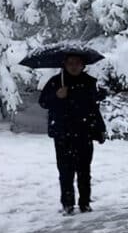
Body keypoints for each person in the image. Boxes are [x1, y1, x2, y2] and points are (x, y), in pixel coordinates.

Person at [39, 54, 106, 215]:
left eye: (77, 63)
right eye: (70, 63)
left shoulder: (90, 82)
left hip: (84, 133)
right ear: (65, 65)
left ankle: (85, 202)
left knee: (84, 170)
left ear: (83, 65)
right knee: (65, 171)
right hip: (63, 133)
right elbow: (43, 102)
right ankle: (67, 204)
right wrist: (57, 96)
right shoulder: (56, 82)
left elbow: (94, 107)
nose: (74, 66)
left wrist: (99, 129)